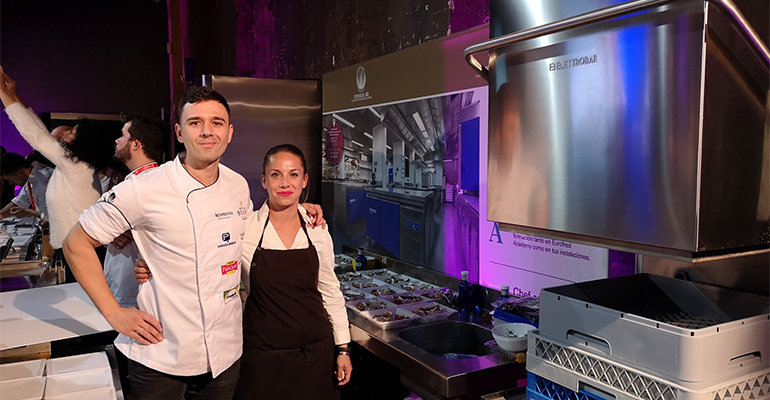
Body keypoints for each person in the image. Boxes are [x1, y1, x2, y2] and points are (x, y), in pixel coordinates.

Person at [63, 86, 326, 400]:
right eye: (195, 122)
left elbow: (246, 235)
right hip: (161, 353)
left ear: (229, 133)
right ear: (179, 132)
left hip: (226, 354)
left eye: (216, 123)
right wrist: (114, 313)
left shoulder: (237, 184)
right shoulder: (144, 188)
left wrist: (297, 209)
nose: (207, 131)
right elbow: (75, 244)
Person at [234, 144, 351, 399]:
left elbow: (330, 290)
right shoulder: (246, 229)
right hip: (262, 356)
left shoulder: (317, 229)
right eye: (276, 175)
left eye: (293, 174)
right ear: (264, 181)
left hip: (315, 356)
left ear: (304, 180)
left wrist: (343, 348)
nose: (284, 183)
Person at [0, 67, 121, 282]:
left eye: (72, 132)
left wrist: (2, 92)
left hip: (80, 250)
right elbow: (41, 132)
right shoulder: (78, 166)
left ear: (84, 143)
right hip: (78, 248)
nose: (65, 135)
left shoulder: (75, 165)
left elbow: (34, 133)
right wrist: (12, 94)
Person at [0, 152, 53, 220]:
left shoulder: (43, 181)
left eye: (9, 179)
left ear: (20, 172)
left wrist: (29, 212)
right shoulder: (31, 176)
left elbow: (50, 217)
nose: (10, 183)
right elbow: (18, 202)